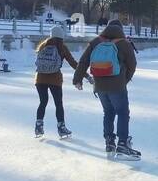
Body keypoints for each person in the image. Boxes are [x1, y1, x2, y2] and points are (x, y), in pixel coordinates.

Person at [73, 20, 140, 159]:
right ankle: (122, 143)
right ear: (120, 30)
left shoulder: (95, 42)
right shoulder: (124, 44)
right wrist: (124, 80)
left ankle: (109, 142)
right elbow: (132, 65)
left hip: (99, 85)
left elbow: (83, 61)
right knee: (122, 112)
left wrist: (77, 79)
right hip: (117, 86)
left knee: (108, 112)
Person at [34, 25, 82, 139]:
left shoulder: (42, 46)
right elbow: (73, 63)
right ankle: (61, 128)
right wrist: (85, 74)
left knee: (43, 102)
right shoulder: (62, 47)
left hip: (40, 78)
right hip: (54, 79)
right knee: (58, 104)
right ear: (61, 36)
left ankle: (38, 127)